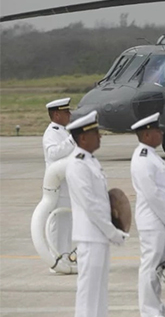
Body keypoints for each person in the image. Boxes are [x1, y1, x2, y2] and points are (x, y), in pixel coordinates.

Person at [66, 111, 129, 317]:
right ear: (83, 138)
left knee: (100, 290)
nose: (100, 136)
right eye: (95, 133)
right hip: (90, 236)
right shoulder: (77, 164)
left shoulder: (90, 161)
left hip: (98, 236)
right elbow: (91, 205)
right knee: (89, 292)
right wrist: (112, 232)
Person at [130, 113, 165, 317]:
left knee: (156, 269)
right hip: (153, 221)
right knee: (150, 268)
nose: (161, 134)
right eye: (157, 131)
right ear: (146, 134)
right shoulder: (142, 159)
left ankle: (157, 309)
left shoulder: (151, 155)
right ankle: (149, 312)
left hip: (160, 221)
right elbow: (152, 194)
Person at [42, 97, 76, 273]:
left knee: (67, 225)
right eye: (66, 112)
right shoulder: (52, 132)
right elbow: (53, 153)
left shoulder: (63, 131)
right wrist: (71, 140)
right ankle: (56, 261)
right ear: (56, 115)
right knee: (59, 225)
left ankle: (64, 258)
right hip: (58, 187)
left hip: (67, 185)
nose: (69, 114)